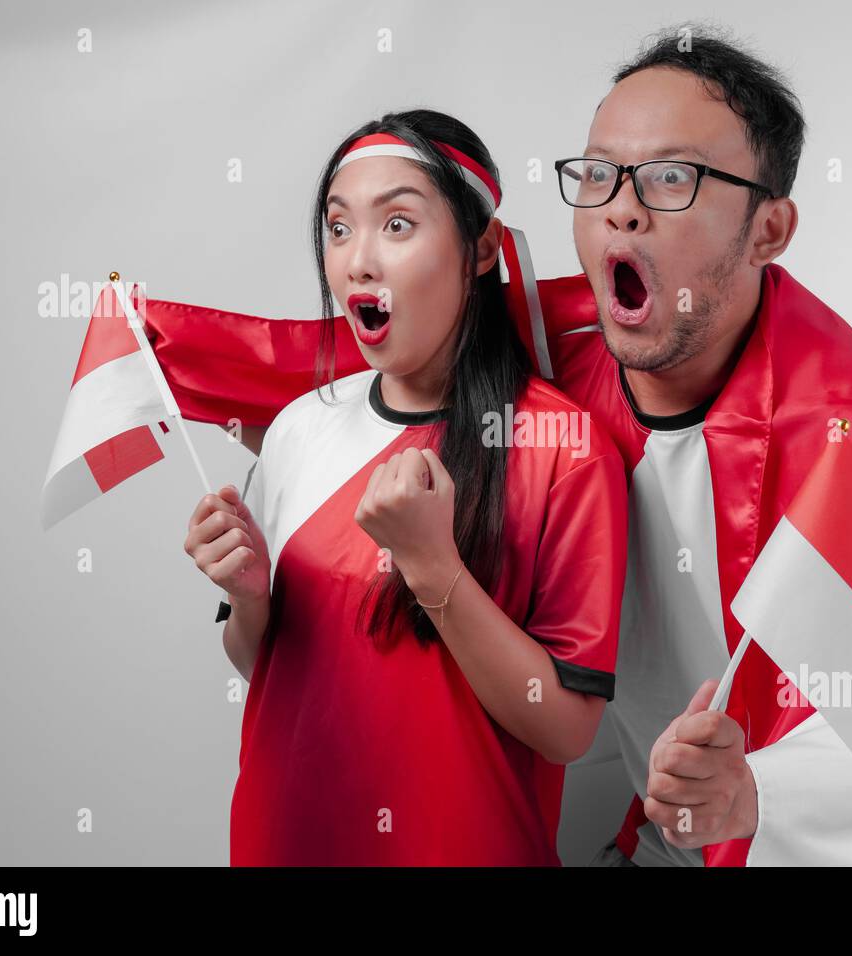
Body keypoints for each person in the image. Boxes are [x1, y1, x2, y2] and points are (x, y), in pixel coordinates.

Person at [154, 24, 852, 867]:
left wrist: (758, 792)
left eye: (672, 178)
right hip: (659, 832)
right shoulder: (567, 356)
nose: (621, 206)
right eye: (598, 175)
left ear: (769, 231)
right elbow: (365, 354)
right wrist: (156, 347)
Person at [181, 110, 628, 866]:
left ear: (480, 250)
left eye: (396, 225)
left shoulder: (564, 447)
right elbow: (266, 671)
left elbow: (566, 728)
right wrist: (252, 596)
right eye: (338, 227)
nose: (358, 261)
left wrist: (433, 567)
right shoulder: (297, 428)